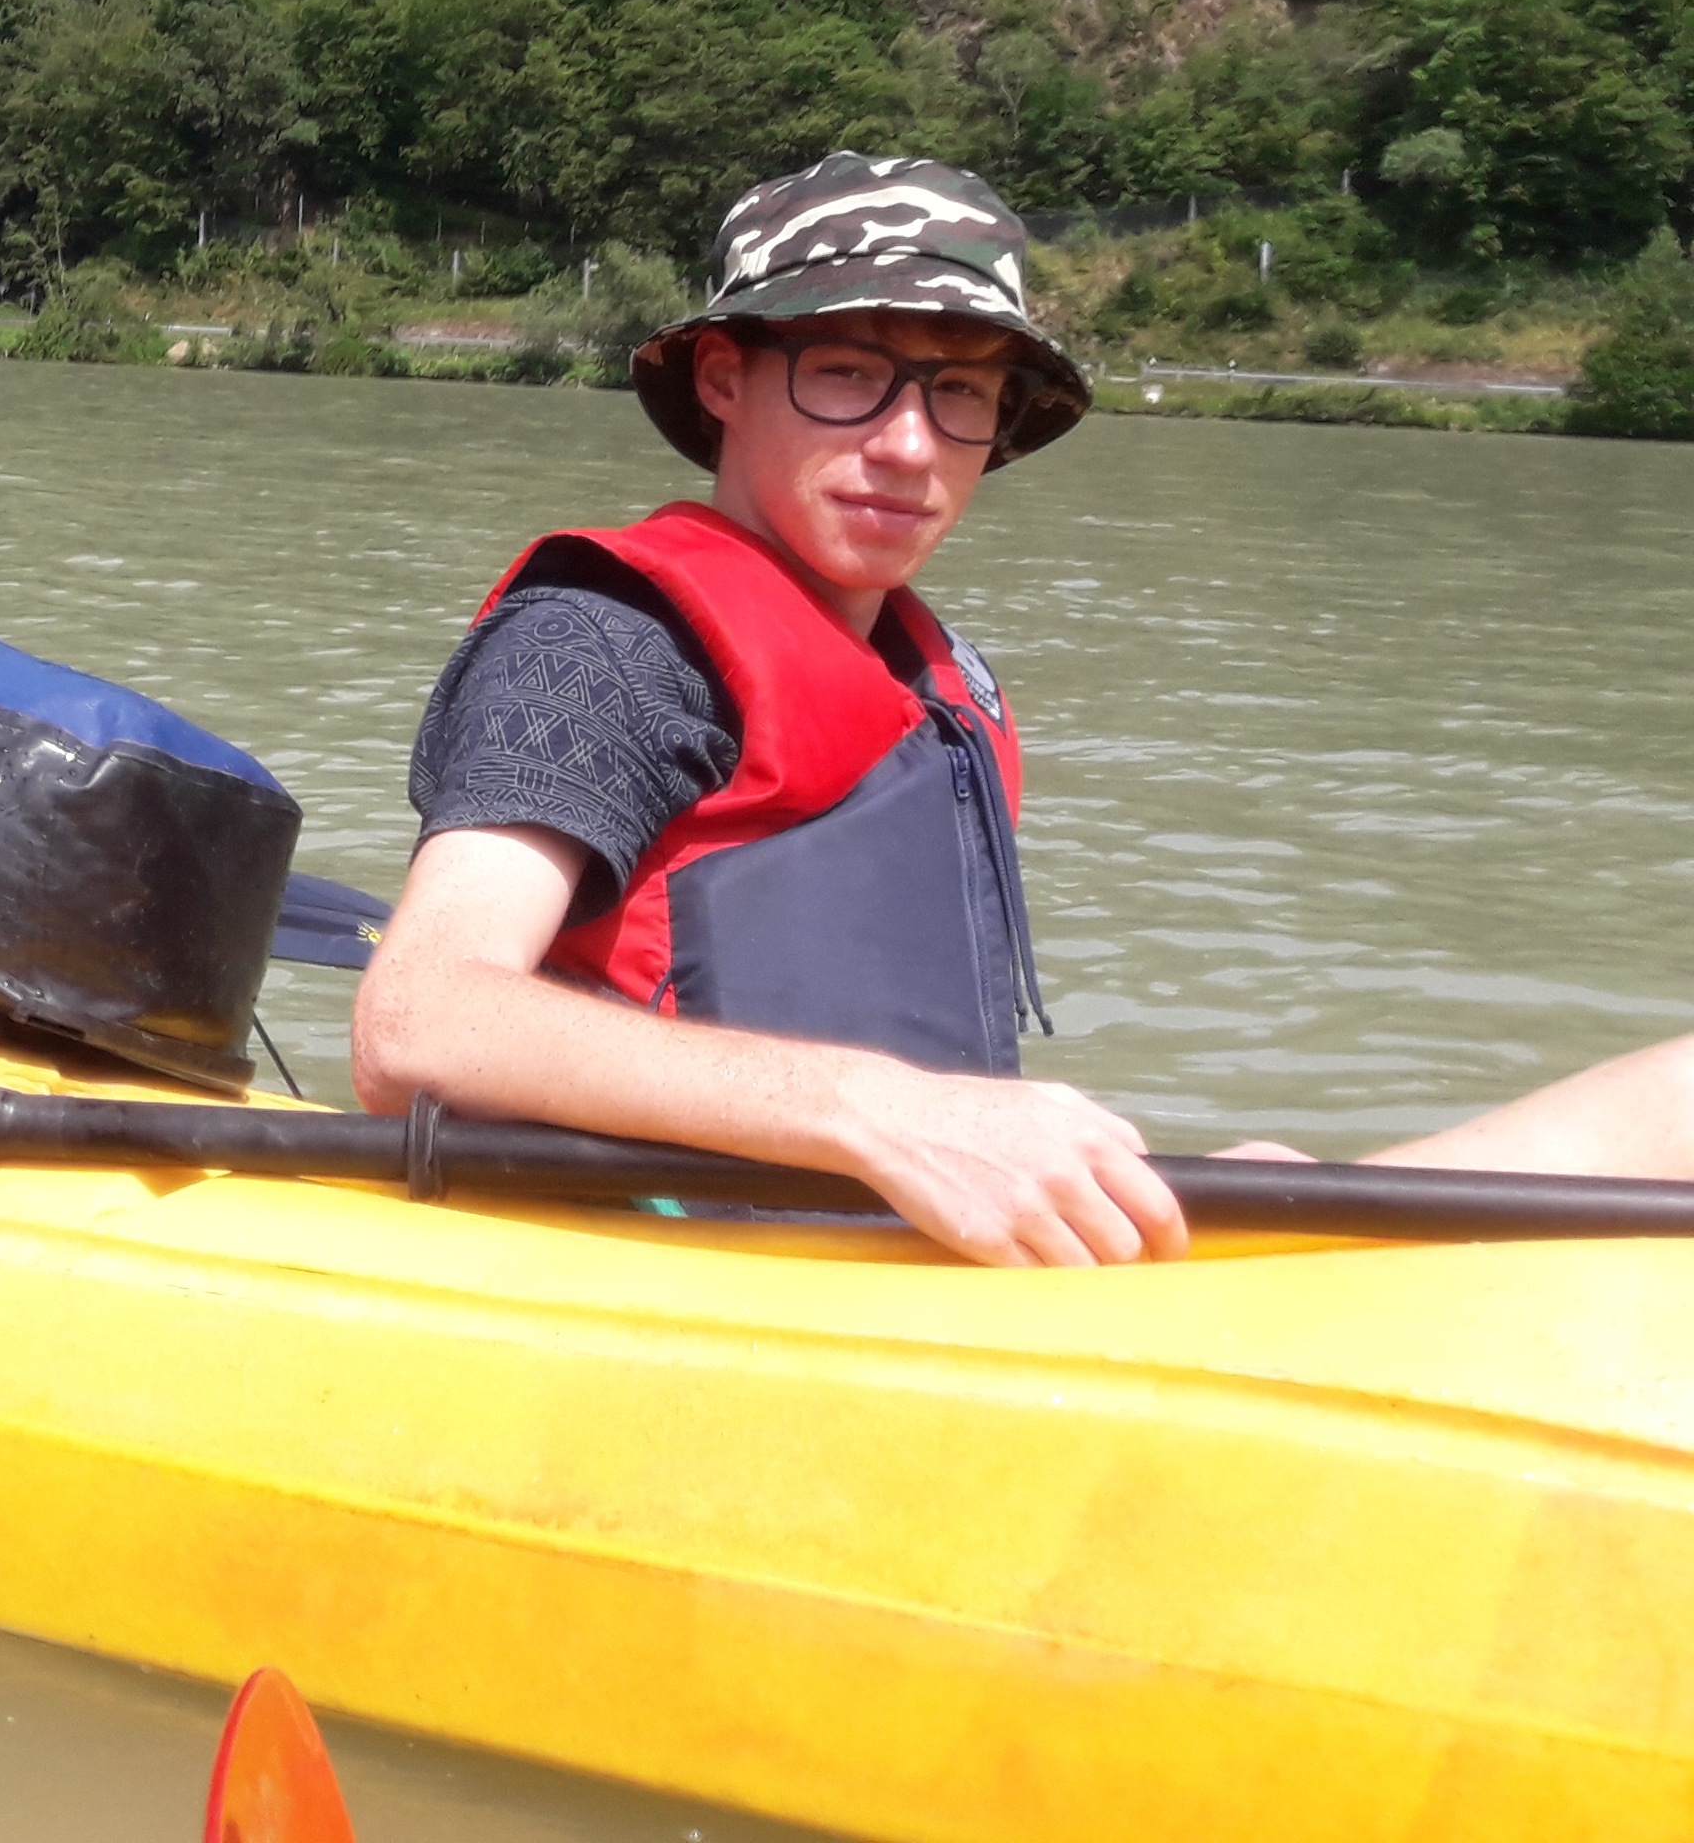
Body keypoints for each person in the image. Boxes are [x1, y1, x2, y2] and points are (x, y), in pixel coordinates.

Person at [350, 152, 1694, 1268]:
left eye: (959, 392)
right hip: (713, 1282)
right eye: (847, 372)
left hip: (938, 1270)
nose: (908, 445)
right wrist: (879, 1111)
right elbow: (419, 1023)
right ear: (723, 379)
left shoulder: (935, 685)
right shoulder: (609, 643)